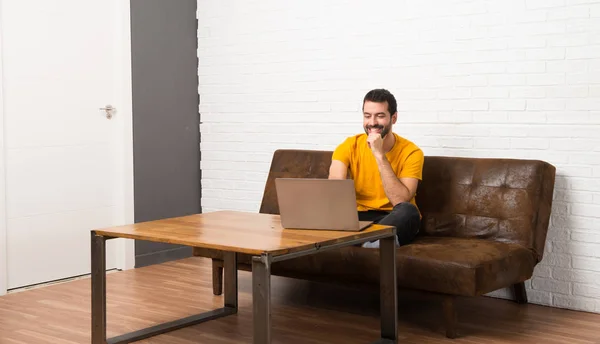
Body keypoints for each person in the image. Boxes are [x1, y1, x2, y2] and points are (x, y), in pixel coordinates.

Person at [328, 88, 424, 248]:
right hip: (358, 219)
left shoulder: (412, 152)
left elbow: (399, 201)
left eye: (380, 116)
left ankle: (366, 242)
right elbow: (334, 191)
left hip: (392, 217)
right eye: (367, 116)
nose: (372, 123)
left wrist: (379, 155)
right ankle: (374, 242)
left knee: (409, 212)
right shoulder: (348, 146)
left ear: (394, 118)